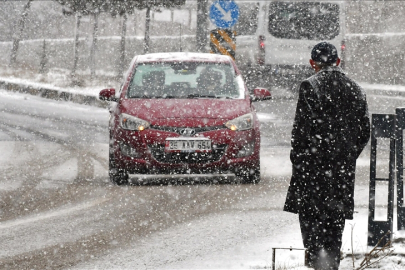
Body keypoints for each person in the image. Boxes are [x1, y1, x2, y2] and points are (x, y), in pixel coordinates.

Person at [283, 42, 370, 270]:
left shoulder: (310, 86)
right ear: (338, 62)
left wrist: (301, 161)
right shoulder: (355, 88)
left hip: (313, 171)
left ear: (313, 63)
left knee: (312, 226)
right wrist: (346, 156)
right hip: (341, 172)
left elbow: (301, 132)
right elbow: (364, 131)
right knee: (334, 225)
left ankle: (316, 264)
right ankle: (331, 265)